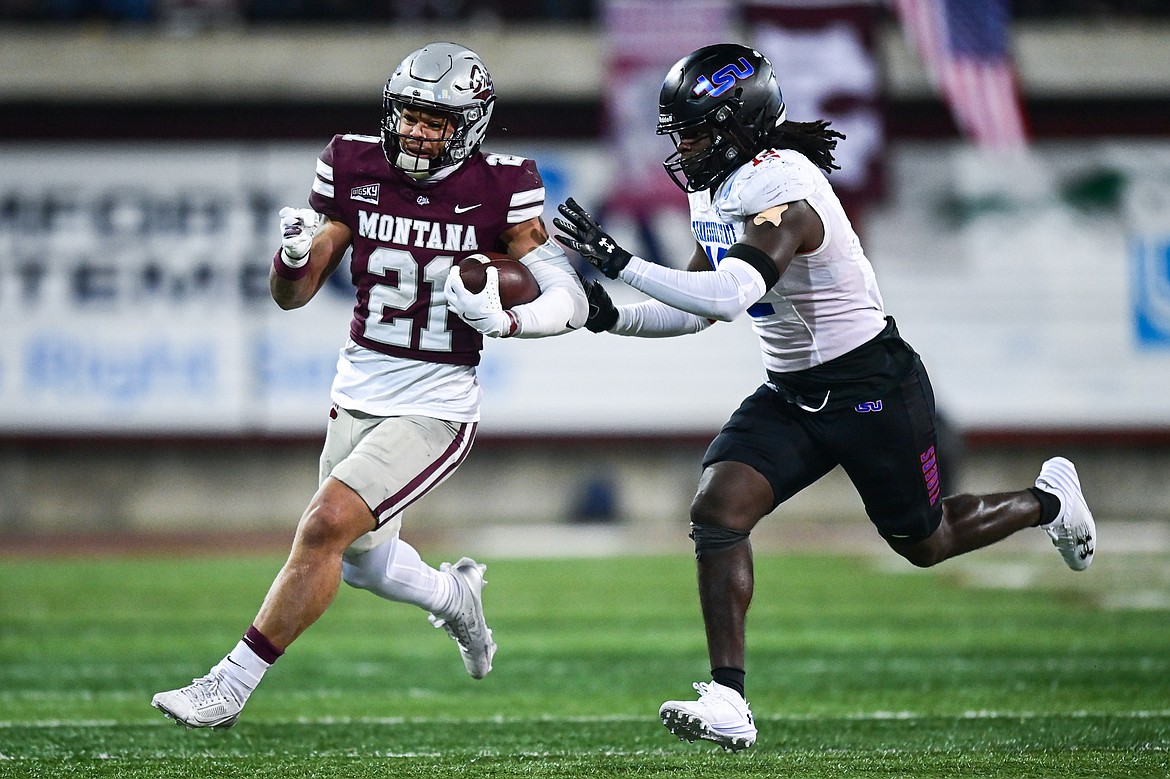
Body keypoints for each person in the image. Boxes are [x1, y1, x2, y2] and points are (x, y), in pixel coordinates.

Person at [554, 43, 1095, 752]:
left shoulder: (784, 191)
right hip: (793, 389)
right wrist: (610, 312)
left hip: (871, 383)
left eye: (692, 129)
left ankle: (1048, 500)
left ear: (738, 125)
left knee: (925, 542)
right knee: (719, 506)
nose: (681, 145)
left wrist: (623, 262)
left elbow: (731, 295)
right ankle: (728, 697)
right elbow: (693, 308)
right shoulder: (714, 185)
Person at [151, 41, 587, 729]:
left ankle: (228, 685)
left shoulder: (503, 187)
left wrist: (510, 318)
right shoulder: (353, 165)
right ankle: (454, 596)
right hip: (357, 386)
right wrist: (291, 256)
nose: (415, 130)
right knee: (361, 562)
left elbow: (570, 296)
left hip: (436, 402)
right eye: (408, 114)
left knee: (324, 524)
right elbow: (292, 295)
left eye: (434, 119)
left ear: (470, 124)